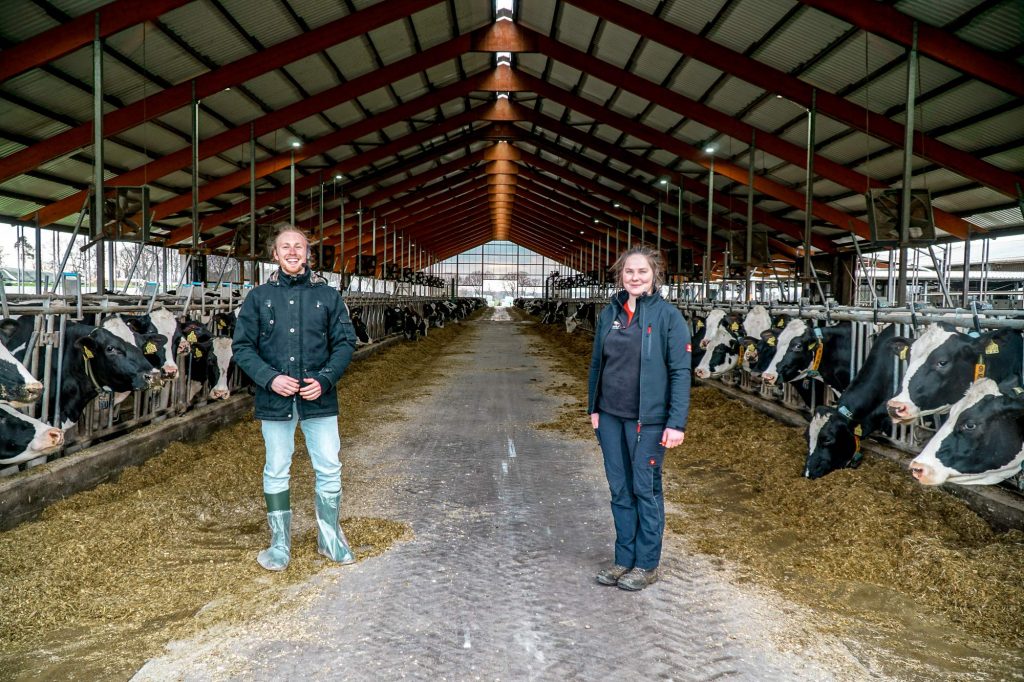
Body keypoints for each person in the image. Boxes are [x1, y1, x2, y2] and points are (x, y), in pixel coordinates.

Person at [233, 225, 359, 571]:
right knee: (276, 468)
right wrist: (270, 378)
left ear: (308, 254)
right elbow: (242, 347)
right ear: (274, 254)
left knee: (330, 466)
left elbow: (345, 343)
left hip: (318, 397)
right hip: (275, 402)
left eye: (299, 247)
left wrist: (326, 379)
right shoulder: (258, 298)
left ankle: (329, 537)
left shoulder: (328, 297)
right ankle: (279, 543)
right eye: (285, 247)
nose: (292, 252)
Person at [587, 245, 692, 591]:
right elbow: (597, 364)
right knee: (620, 490)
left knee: (644, 488)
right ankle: (623, 559)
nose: (634, 277)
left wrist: (675, 422)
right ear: (620, 275)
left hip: (649, 420)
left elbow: (680, 372)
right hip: (611, 416)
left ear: (654, 276)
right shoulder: (609, 314)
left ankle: (647, 564)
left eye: (642, 272)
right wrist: (594, 408)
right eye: (629, 272)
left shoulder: (668, 317)